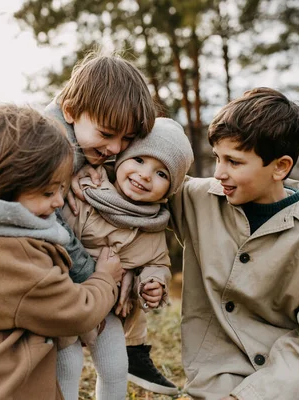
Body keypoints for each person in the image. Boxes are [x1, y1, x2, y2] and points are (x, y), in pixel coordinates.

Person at [168, 88, 299, 399]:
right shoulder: (196, 199)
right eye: (217, 158)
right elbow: (133, 177)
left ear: (280, 167)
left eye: (234, 162)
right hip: (219, 378)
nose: (218, 172)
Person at [0, 105, 123, 400]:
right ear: (6, 186)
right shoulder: (18, 258)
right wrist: (104, 277)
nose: (58, 202)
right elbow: (78, 312)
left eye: (61, 189)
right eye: (47, 192)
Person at [44, 51, 179, 395]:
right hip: (48, 287)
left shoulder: (91, 149)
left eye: (125, 140)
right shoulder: (47, 150)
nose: (115, 148)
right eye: (107, 134)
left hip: (82, 289)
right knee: (68, 359)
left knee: (111, 361)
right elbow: (54, 228)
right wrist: (98, 277)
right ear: (70, 111)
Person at [57, 118, 193, 399]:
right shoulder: (86, 190)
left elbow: (157, 263)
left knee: (116, 367)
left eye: (162, 174)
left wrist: (153, 282)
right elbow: (60, 237)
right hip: (69, 300)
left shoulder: (154, 223)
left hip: (110, 310)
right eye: (140, 160)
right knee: (67, 365)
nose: (145, 175)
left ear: (170, 189)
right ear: (121, 159)